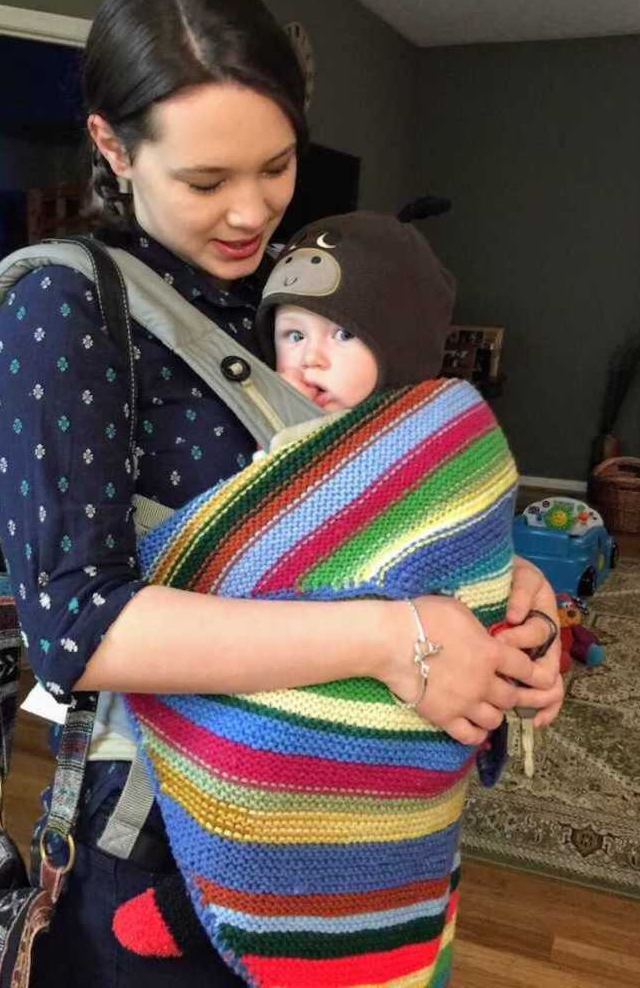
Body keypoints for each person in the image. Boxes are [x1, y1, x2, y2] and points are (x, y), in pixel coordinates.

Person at [0, 0, 562, 988]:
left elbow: (374, 513)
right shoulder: (64, 312)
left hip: (361, 826)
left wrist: (507, 598)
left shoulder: (294, 299)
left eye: (278, 165)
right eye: (206, 182)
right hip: (173, 839)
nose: (251, 212)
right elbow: (76, 632)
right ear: (113, 146)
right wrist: (398, 635)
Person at [107, 209, 547, 987]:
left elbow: (476, 554)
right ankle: (209, 899)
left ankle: (321, 916)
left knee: (366, 797)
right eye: (293, 334)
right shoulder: (262, 439)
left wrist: (525, 604)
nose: (310, 360)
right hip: (298, 679)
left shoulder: (443, 435)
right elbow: (240, 572)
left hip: (403, 713)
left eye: (343, 337)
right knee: (249, 756)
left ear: (402, 346)